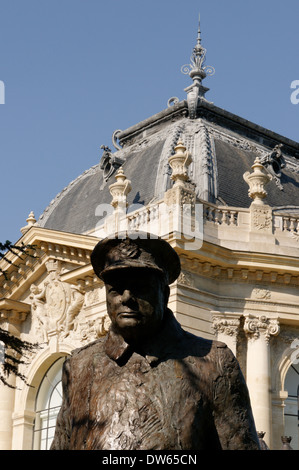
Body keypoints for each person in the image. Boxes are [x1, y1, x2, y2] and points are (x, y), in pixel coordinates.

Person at [51, 233, 260, 450]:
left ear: (165, 294)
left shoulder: (213, 361)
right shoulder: (78, 366)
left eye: (140, 288)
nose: (126, 298)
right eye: (116, 290)